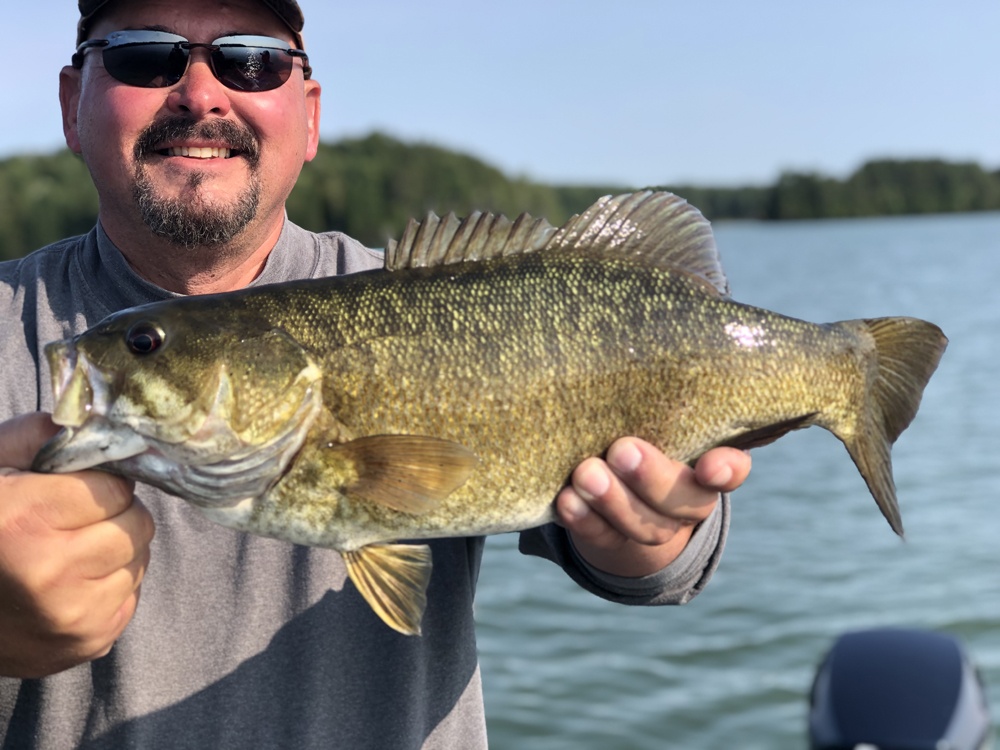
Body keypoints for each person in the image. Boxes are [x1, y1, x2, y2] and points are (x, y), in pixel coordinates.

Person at [0, 1, 752, 747]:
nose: (201, 94)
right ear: (73, 104)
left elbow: (662, 559)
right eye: (143, 55)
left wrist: (649, 536)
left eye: (251, 60)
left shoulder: (418, 295)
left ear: (310, 114)